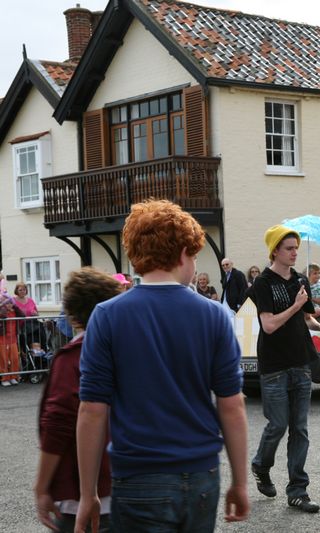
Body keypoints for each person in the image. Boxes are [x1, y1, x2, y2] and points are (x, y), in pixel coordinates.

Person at [75, 200, 249, 532]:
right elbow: (232, 405)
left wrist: (88, 494)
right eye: (195, 256)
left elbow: (92, 411)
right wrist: (240, 482)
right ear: (183, 252)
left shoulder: (107, 316)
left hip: (138, 477)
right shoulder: (214, 315)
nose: (195, 265)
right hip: (201, 475)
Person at [251, 225, 320, 513]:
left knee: (300, 428)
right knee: (278, 425)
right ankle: (261, 465)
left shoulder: (299, 279)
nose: (294, 252)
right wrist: (297, 306)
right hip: (274, 365)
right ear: (275, 251)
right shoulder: (263, 282)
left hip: (301, 361)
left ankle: (298, 491)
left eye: (296, 247)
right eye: (288, 248)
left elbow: (306, 319)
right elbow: (269, 325)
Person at [34, 268, 121, 533]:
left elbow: (58, 424)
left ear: (72, 314)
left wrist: (41, 486)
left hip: (87, 494)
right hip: (134, 487)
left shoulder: (72, 357)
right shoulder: (128, 350)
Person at [0, 294, 22, 386]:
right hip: (3, 339)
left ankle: (13, 377)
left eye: (10, 303)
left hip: (13, 339)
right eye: (7, 303)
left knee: (14, 358)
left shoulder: (15, 311)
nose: (9, 305)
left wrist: (16, 306)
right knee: (3, 359)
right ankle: (5, 378)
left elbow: (22, 315)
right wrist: (2, 307)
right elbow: (2, 315)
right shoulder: (2, 311)